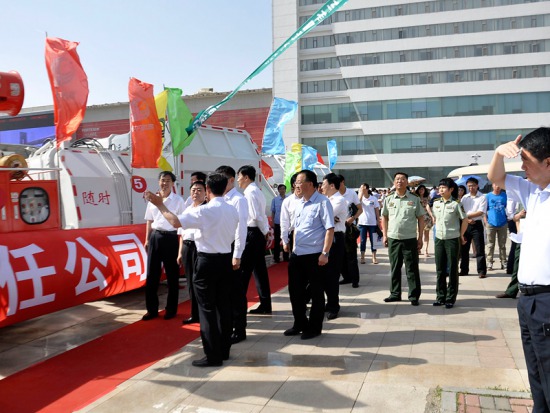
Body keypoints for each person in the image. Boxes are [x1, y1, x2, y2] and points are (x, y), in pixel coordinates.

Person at [145, 173, 239, 367]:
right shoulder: (232, 209)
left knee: (207, 309)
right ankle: (224, 350)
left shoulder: (205, 211)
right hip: (224, 260)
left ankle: (213, 355)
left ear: (209, 190)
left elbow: (175, 222)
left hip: (207, 261)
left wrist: (159, 204)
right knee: (224, 307)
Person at [487, 127, 550, 412]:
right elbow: (496, 177)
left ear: (547, 161)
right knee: (536, 371)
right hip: (528, 300)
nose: (522, 166)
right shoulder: (534, 192)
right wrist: (499, 153)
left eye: (526, 160)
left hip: (546, 300)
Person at [283, 170, 334, 340]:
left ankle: (314, 328)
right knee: (295, 291)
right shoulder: (298, 203)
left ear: (310, 184)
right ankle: (299, 323)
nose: (296, 184)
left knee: (317, 292)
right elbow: (296, 229)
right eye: (296, 182)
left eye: (299, 181)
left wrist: (325, 253)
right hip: (298, 254)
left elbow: (329, 229)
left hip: (315, 255)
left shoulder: (322, 202)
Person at [142, 171, 186, 321]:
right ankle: (152, 310)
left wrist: (181, 245)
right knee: (152, 275)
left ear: (173, 183)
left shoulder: (178, 200)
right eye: (162, 180)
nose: (164, 183)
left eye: (168, 180)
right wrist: (147, 239)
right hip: (156, 236)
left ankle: (171, 309)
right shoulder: (153, 199)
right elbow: (149, 220)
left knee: (172, 276)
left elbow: (182, 224)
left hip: (171, 238)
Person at [215, 165, 249, 344]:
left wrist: (237, 254)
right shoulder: (219, 198)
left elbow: (241, 228)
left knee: (236, 293)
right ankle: (227, 327)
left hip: (233, 249)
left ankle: (239, 329)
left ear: (230, 180)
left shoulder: (238, 200)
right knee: (224, 293)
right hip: (221, 249)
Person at [381, 172, 425, 306]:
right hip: (393, 237)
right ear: (394, 182)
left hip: (409, 238)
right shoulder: (388, 199)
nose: (399, 181)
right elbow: (384, 217)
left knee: (411, 268)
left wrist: (420, 237)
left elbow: (421, 218)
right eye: (397, 179)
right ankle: (395, 294)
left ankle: (414, 295)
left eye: (402, 179)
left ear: (407, 182)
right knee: (395, 267)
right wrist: (384, 235)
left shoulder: (414, 198)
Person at [236, 165, 272, 316]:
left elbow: (256, 215)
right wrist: (266, 231)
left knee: (244, 272)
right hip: (257, 233)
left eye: (239, 176)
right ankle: (265, 304)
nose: (238, 180)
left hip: (252, 234)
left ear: (245, 177)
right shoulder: (256, 190)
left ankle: (238, 307)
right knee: (260, 272)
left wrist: (265, 231)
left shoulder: (250, 193)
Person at [431, 178, 468, 309]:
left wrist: (461, 234)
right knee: (440, 269)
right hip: (439, 239)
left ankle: (450, 298)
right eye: (439, 187)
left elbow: (465, 220)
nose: (440, 190)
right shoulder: (436, 203)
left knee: (452, 269)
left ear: (451, 189)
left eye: (443, 187)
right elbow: (434, 217)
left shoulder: (456, 204)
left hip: (452, 239)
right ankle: (440, 297)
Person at [178, 180, 207, 325]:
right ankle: (194, 314)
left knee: (201, 282)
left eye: (199, 190)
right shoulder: (187, 209)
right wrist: (179, 253)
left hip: (200, 248)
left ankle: (204, 314)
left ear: (206, 192)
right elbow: (182, 233)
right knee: (190, 282)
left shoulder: (206, 209)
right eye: (194, 190)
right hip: (187, 247)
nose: (196, 193)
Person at [320, 173, 348, 321]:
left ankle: (333, 306)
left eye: (323, 184)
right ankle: (329, 302)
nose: (321, 187)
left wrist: (330, 218)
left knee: (332, 274)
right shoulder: (327, 200)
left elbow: (325, 216)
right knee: (324, 273)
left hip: (336, 238)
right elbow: (326, 217)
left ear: (331, 185)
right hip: (325, 237)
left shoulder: (339, 200)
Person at [459, 177, 488, 278]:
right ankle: (464, 270)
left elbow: (481, 212)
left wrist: (468, 216)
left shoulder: (482, 197)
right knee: (464, 249)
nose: (471, 188)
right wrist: (466, 219)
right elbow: (461, 211)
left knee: (479, 248)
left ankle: (482, 271)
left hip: (477, 224)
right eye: (469, 186)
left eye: (473, 186)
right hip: (466, 224)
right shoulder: (464, 198)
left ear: (477, 186)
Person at [337, 174, 362, 288]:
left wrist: (352, 218)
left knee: (351, 255)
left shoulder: (351, 193)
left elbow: (360, 209)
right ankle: (346, 277)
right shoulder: (333, 194)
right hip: (337, 228)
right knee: (340, 255)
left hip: (349, 228)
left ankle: (355, 279)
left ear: (343, 182)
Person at [484, 183, 508, 271]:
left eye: (499, 185)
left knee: (502, 245)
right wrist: (486, 221)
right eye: (495, 185)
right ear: (492, 186)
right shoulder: (488, 196)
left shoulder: (504, 195)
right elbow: (484, 210)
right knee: (490, 244)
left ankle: (503, 261)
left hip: (503, 223)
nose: (497, 187)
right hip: (491, 224)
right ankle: (489, 262)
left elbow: (508, 208)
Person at [358, 183, 380, 264]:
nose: (361, 189)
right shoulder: (360, 198)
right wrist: (360, 194)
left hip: (372, 223)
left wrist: (378, 220)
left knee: (373, 240)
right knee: (363, 240)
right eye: (360, 188)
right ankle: (362, 257)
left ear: (367, 189)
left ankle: (374, 257)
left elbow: (377, 210)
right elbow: (357, 204)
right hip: (362, 223)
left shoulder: (373, 199)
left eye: (362, 187)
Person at [281, 173, 300, 258]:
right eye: (300, 182)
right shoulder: (288, 201)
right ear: (294, 184)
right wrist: (285, 241)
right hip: (294, 235)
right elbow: (284, 221)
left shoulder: (312, 200)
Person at [416, 184, 435, 257]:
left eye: (422, 189)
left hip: (426, 218)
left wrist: (431, 215)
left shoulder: (427, 198)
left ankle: (425, 250)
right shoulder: (415, 197)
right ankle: (418, 248)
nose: (421, 191)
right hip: (417, 217)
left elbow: (428, 206)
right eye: (420, 189)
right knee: (418, 234)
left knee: (426, 234)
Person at [271, 184, 288, 263]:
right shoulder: (275, 200)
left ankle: (286, 257)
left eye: (283, 189)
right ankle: (276, 258)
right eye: (280, 189)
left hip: (287, 223)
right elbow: (273, 211)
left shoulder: (288, 199)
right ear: (278, 190)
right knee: (277, 241)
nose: (282, 190)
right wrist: (273, 222)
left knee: (286, 240)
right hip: (278, 223)